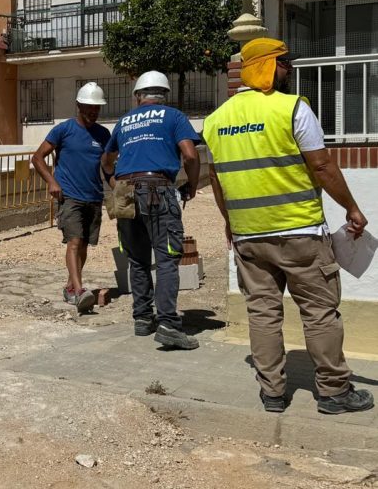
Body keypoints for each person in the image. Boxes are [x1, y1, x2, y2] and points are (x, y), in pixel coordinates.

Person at [204, 38, 373, 414]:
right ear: (265, 65)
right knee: (319, 312)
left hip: (249, 237)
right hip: (300, 234)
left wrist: (230, 224)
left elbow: (216, 180)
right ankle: (333, 392)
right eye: (283, 63)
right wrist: (352, 209)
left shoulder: (216, 121)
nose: (289, 70)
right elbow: (323, 165)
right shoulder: (292, 108)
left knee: (262, 313)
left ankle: (273, 394)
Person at [101, 71, 201, 350]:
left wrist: (116, 184)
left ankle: (143, 320)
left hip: (127, 191)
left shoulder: (124, 122)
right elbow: (191, 155)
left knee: (138, 259)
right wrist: (191, 186)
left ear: (138, 96)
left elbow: (107, 160)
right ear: (164, 95)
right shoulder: (174, 117)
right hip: (158, 189)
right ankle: (168, 324)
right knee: (168, 258)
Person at [31, 82, 112, 312]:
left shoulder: (103, 134)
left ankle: (69, 287)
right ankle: (78, 290)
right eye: (89, 107)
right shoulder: (63, 130)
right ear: (78, 105)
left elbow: (107, 167)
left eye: (97, 108)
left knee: (84, 244)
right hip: (70, 196)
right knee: (74, 242)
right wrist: (52, 182)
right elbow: (37, 158)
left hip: (94, 196)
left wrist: (118, 188)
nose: (93, 112)